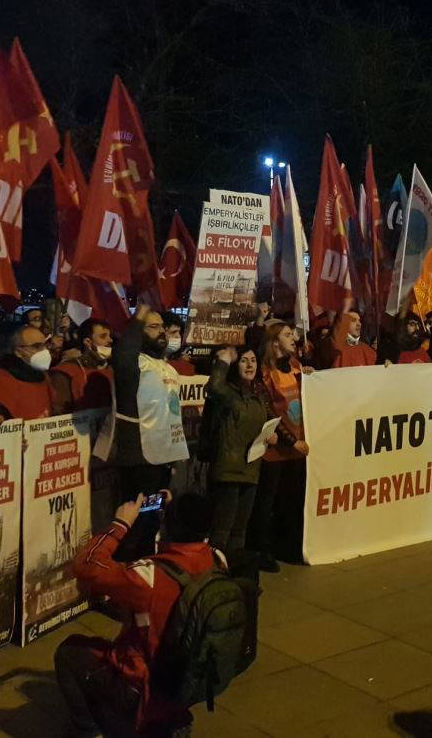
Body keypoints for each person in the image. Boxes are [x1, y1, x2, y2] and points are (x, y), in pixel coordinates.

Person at [57, 491, 225, 737]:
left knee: (70, 652)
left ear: (168, 526)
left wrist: (120, 523)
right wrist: (176, 514)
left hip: (144, 684)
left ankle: (95, 729)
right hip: (187, 680)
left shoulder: (149, 577)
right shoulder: (218, 561)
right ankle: (170, 720)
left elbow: (86, 565)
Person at [103, 306, 191, 560]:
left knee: (152, 517)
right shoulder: (133, 365)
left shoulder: (166, 367)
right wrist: (138, 317)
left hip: (162, 459)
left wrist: (172, 459)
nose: (161, 332)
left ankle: (144, 567)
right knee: (136, 521)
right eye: (153, 327)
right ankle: (127, 570)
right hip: (139, 458)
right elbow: (123, 352)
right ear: (138, 333)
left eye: (162, 326)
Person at [251, 322, 311, 571]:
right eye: (288, 335)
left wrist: (311, 378)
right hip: (276, 452)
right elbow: (268, 410)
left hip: (298, 450)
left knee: (292, 500)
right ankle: (263, 550)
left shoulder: (296, 366)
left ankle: (289, 546)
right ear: (274, 342)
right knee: (268, 502)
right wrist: (291, 440)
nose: (294, 338)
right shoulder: (264, 373)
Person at [201, 346, 269, 561]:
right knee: (222, 528)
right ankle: (216, 569)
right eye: (243, 360)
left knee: (240, 529)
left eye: (253, 360)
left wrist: (270, 436)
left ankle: (235, 567)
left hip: (251, 469)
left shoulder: (257, 395)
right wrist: (224, 360)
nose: (250, 365)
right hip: (228, 471)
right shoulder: (226, 394)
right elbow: (214, 386)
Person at [0, 325, 63, 421]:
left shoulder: (45, 377)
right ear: (18, 352)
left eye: (46, 345)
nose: (44, 351)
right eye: (36, 346)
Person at [52, 319, 114, 411]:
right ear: (88, 342)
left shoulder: (113, 369)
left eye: (110, 336)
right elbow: (60, 411)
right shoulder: (66, 372)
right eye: (103, 336)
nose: (110, 340)